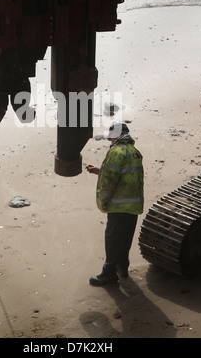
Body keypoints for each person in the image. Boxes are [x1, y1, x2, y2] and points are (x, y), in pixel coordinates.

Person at [86, 122, 144, 286]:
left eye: (110, 138)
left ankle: (108, 272)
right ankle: (122, 267)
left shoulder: (116, 151)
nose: (110, 141)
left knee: (112, 239)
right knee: (125, 237)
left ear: (115, 136)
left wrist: (104, 199)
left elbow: (111, 179)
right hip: (133, 205)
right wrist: (99, 171)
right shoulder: (134, 152)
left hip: (119, 204)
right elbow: (126, 175)